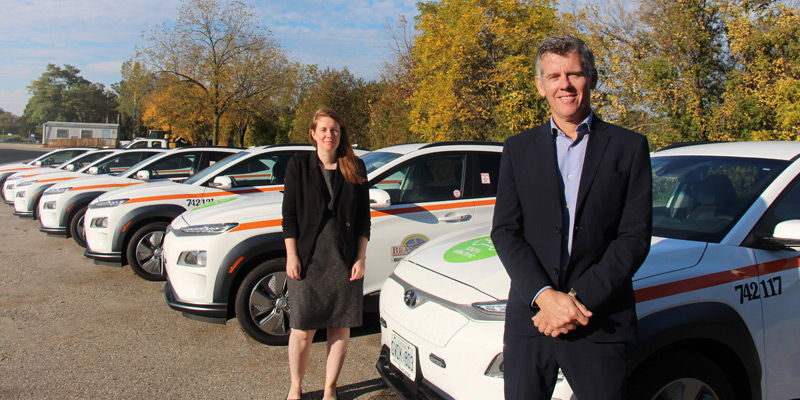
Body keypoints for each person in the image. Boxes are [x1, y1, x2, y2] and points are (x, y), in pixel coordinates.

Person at [490, 35, 652, 399]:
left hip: (599, 320)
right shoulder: (518, 149)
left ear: (591, 78)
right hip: (533, 321)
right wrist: (545, 296)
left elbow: (634, 238)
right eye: (553, 76)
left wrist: (574, 301)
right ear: (539, 85)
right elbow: (505, 232)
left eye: (575, 74)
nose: (564, 85)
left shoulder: (629, 147)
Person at [282, 107, 370, 400]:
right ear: (313, 134)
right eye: (323, 130)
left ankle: (330, 388)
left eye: (334, 129)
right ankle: (296, 387)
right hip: (308, 260)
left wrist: (361, 256)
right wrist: (291, 255)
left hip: (343, 260)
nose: (329, 135)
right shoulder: (298, 166)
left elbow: (363, 220)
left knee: (339, 328)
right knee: (302, 329)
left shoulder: (355, 167)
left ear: (341, 134)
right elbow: (289, 216)